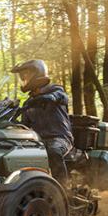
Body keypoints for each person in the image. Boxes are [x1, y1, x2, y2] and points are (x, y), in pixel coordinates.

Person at [11, 59, 73, 187]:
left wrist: (49, 98)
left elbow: (62, 97)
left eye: (26, 75)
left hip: (60, 138)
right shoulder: (29, 103)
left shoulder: (55, 90)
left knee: (54, 151)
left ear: (37, 72)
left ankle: (63, 189)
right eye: (22, 77)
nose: (24, 79)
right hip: (39, 141)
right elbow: (24, 126)